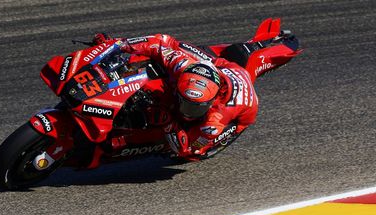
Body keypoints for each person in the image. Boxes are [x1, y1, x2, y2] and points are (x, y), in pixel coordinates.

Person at [91, 25, 300, 160]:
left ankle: (121, 142)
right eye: (184, 102)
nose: (185, 110)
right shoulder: (181, 64)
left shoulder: (216, 118)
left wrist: (168, 122)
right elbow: (159, 43)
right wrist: (117, 45)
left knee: (192, 154)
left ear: (208, 104)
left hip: (239, 115)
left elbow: (188, 147)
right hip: (219, 66)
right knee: (155, 64)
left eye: (192, 107)